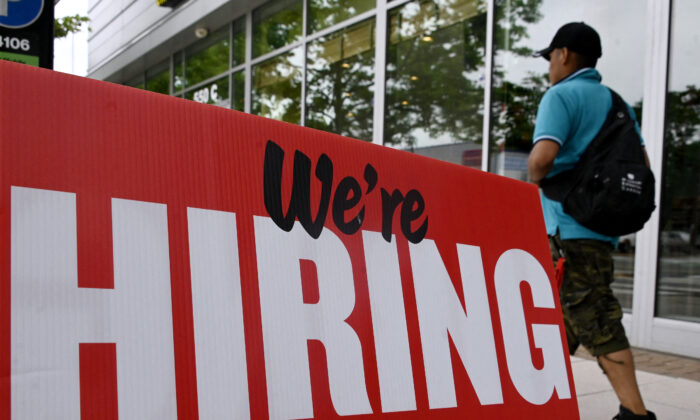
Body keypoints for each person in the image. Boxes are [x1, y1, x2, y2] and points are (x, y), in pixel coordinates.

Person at [528, 22, 656, 420]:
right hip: (598, 231)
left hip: (568, 232)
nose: (549, 65)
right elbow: (644, 166)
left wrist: (530, 178)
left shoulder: (560, 96)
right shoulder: (617, 103)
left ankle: (636, 414)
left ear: (564, 54)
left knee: (597, 319)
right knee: (557, 319)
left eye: (550, 56)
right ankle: (537, 398)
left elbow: (542, 159)